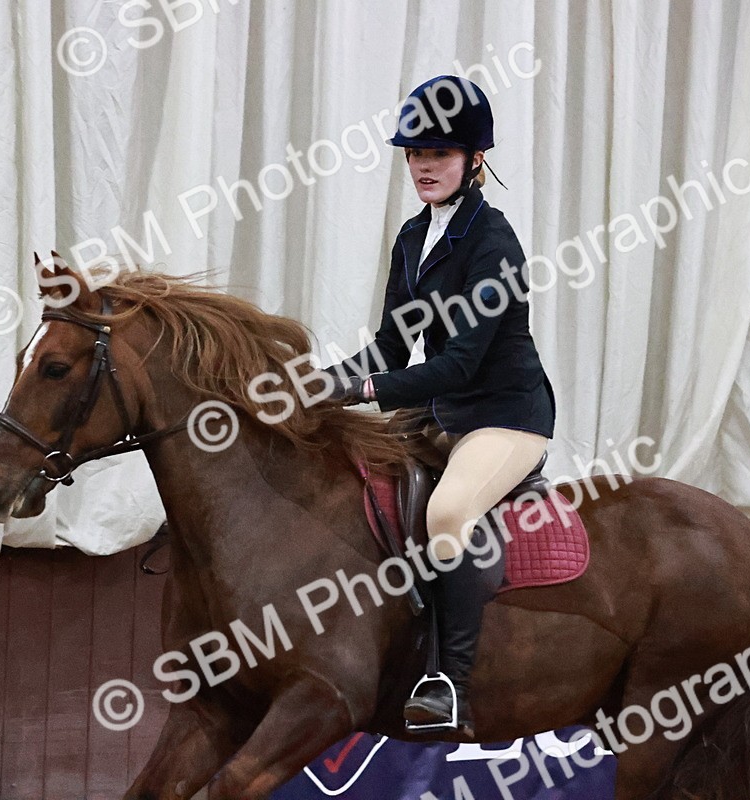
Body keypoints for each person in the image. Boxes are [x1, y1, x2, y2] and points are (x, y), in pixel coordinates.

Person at [323, 75, 556, 735]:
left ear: (473, 160)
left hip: (505, 415)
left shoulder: (494, 244)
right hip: (441, 410)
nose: (424, 165)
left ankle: (448, 683)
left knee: (450, 510)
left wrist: (361, 391)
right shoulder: (411, 237)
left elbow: (457, 364)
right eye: (415, 153)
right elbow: (393, 348)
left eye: (440, 154)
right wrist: (320, 381)